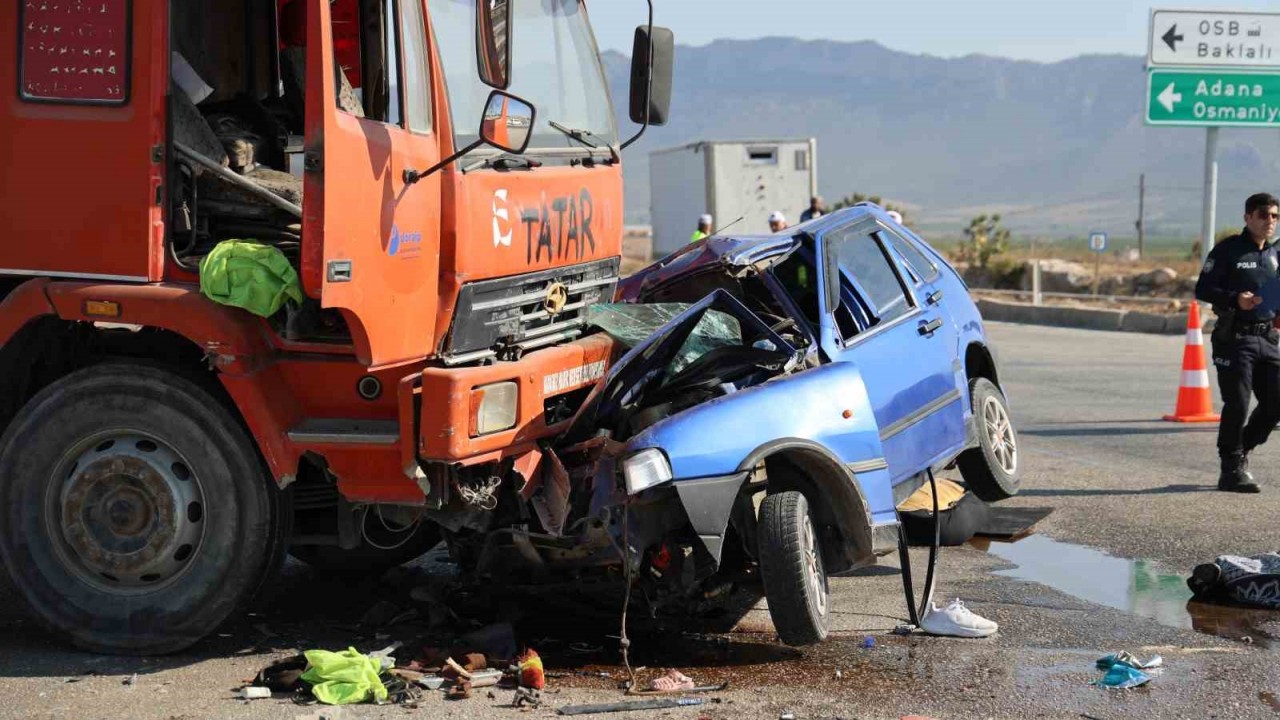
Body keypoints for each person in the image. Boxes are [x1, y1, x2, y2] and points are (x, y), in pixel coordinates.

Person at [1194, 192, 1280, 493]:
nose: (1269, 221)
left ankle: (1242, 449)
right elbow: (1203, 289)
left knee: (1275, 403)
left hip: (1267, 338)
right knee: (1238, 403)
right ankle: (1230, 469)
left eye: (1274, 216)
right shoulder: (1228, 250)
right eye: (1262, 215)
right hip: (1235, 338)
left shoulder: (1275, 254)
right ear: (1247, 218)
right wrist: (1235, 300)